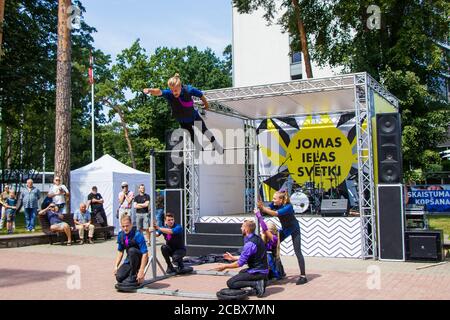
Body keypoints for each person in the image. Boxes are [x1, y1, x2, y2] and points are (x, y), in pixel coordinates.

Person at [143, 73, 223, 153]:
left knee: (204, 131)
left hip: (194, 117)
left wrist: (206, 104)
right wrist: (150, 90)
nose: (174, 93)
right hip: (182, 120)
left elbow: (201, 95)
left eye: (176, 90)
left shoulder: (189, 90)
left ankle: (216, 144)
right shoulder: (169, 93)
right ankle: (198, 146)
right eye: (172, 90)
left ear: (180, 87)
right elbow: (159, 91)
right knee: (191, 134)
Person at [257, 190, 307, 285]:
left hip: (294, 229)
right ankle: (280, 272)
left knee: (298, 252)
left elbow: (275, 214)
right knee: (273, 247)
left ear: (281, 200)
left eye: (275, 199)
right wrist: (261, 206)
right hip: (285, 229)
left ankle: (303, 276)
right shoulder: (276, 204)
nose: (273, 200)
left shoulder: (288, 206)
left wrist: (263, 208)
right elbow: (268, 209)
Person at [214, 219, 268, 298]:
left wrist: (224, 266)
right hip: (263, 270)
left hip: (258, 272)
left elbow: (240, 263)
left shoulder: (250, 244)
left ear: (246, 229)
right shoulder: (256, 238)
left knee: (231, 283)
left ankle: (256, 283)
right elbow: (248, 255)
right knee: (241, 272)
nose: (240, 228)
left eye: (242, 226)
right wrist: (233, 258)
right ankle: (260, 282)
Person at [114, 215, 148, 286]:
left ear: (131, 225)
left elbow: (145, 254)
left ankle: (133, 275)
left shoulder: (138, 235)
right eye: (123, 226)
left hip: (139, 259)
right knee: (119, 277)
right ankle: (130, 274)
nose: (125, 228)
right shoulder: (121, 235)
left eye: (127, 226)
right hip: (129, 260)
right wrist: (116, 266)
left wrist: (141, 271)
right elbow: (120, 251)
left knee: (131, 250)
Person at [255, 210, 285, 281]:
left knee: (269, 257)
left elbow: (265, 228)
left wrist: (258, 215)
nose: (264, 231)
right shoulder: (265, 236)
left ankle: (276, 275)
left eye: (268, 231)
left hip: (271, 258)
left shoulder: (274, 238)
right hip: (269, 259)